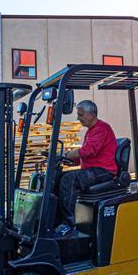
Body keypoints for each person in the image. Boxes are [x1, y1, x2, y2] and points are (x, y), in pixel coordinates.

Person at [53, 100, 117, 237]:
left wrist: (66, 154)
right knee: (57, 178)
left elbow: (88, 151)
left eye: (81, 115)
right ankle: (54, 222)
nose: (78, 118)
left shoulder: (102, 128)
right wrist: (68, 160)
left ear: (91, 114)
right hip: (93, 170)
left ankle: (69, 224)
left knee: (69, 179)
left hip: (104, 171)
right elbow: (85, 156)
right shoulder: (91, 131)